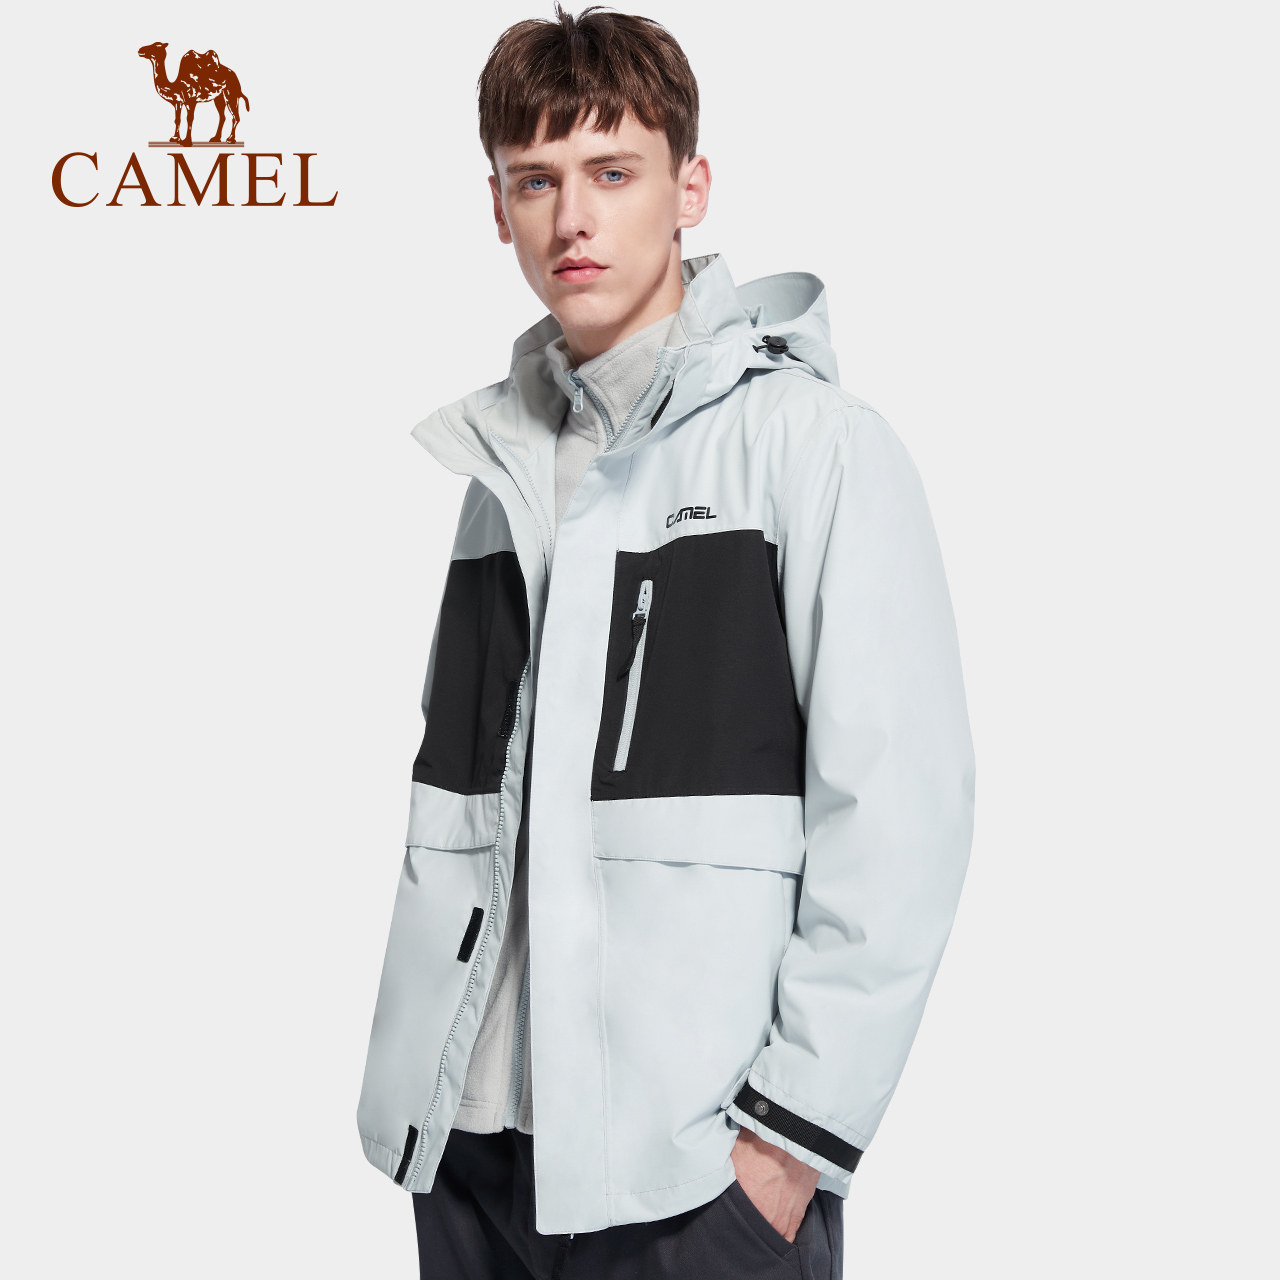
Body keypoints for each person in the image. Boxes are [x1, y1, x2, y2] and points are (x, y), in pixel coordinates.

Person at [356, 6, 976, 1277]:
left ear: (689, 188)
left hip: (692, 1175)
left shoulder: (810, 446)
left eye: (611, 171)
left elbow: (898, 817)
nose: (571, 219)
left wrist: (785, 1149)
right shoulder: (500, 472)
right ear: (496, 208)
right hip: (472, 1146)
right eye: (535, 180)